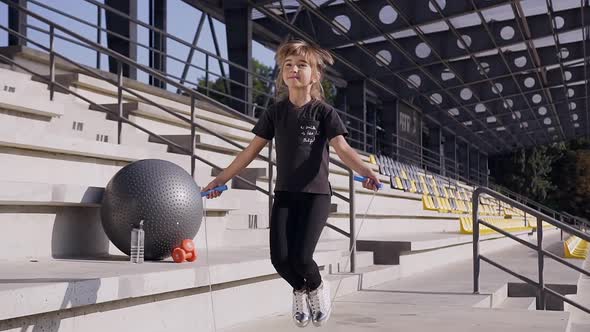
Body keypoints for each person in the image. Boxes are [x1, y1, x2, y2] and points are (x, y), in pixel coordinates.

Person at [202, 39, 381, 328]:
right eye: (288, 65)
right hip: (285, 195)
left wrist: (367, 171)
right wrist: (220, 179)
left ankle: (317, 287)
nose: (293, 69)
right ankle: (300, 290)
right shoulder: (275, 112)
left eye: (301, 65)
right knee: (280, 260)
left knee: (301, 256)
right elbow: (250, 151)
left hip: (316, 196)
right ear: (282, 74)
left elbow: (343, 149)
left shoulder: (324, 113)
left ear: (315, 75)